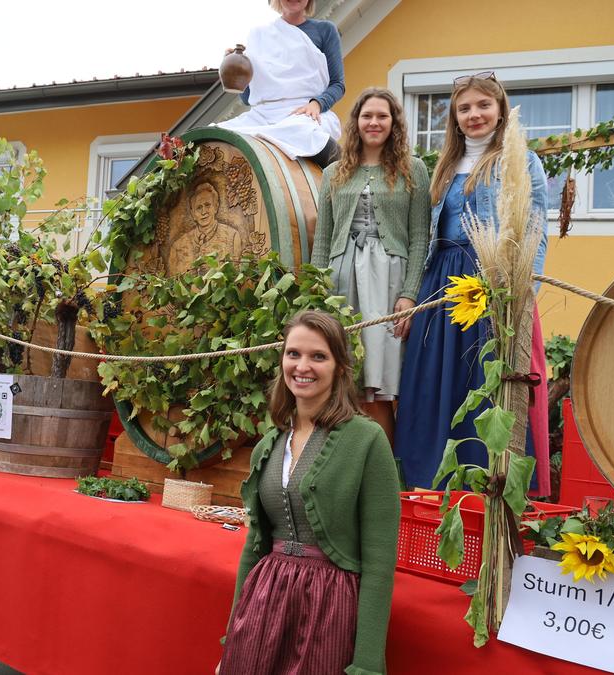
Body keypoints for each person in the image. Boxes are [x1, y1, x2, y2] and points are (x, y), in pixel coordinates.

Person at [394, 72, 551, 492]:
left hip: (492, 284)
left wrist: (519, 297)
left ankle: (486, 484)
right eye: (464, 108)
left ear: (500, 111)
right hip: (440, 287)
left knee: (485, 383)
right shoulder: (442, 166)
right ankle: (429, 483)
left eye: (483, 105)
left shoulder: (522, 160)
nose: (474, 114)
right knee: (432, 387)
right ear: (455, 117)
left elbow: (535, 230)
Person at [220, 310, 399, 675]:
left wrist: (366, 664)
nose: (303, 366)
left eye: (318, 356)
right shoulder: (268, 446)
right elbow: (254, 547)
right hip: (264, 604)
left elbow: (380, 563)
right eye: (293, 354)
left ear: (339, 367)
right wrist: (231, 640)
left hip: (329, 609)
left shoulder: (367, 440)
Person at [312, 87, 430, 444]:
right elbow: (323, 238)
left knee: (379, 388)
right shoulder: (333, 173)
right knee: (344, 379)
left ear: (393, 122)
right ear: (356, 122)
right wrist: (316, 294)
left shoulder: (414, 170)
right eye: (367, 116)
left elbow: (420, 237)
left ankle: (385, 472)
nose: (374, 122)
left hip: (389, 280)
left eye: (382, 115)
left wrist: (410, 295)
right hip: (342, 279)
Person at [215, 0, 344, 162]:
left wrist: (316, 104)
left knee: (303, 134)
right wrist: (234, 70)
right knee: (217, 135)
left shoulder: (325, 30)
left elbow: (337, 84)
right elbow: (248, 98)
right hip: (262, 117)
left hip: (304, 114)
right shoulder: (259, 35)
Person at [168, 181, 244, 275]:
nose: (204, 212)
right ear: (193, 214)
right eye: (199, 208)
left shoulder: (232, 237)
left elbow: (236, 277)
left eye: (207, 205)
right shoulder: (178, 246)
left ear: (216, 207)